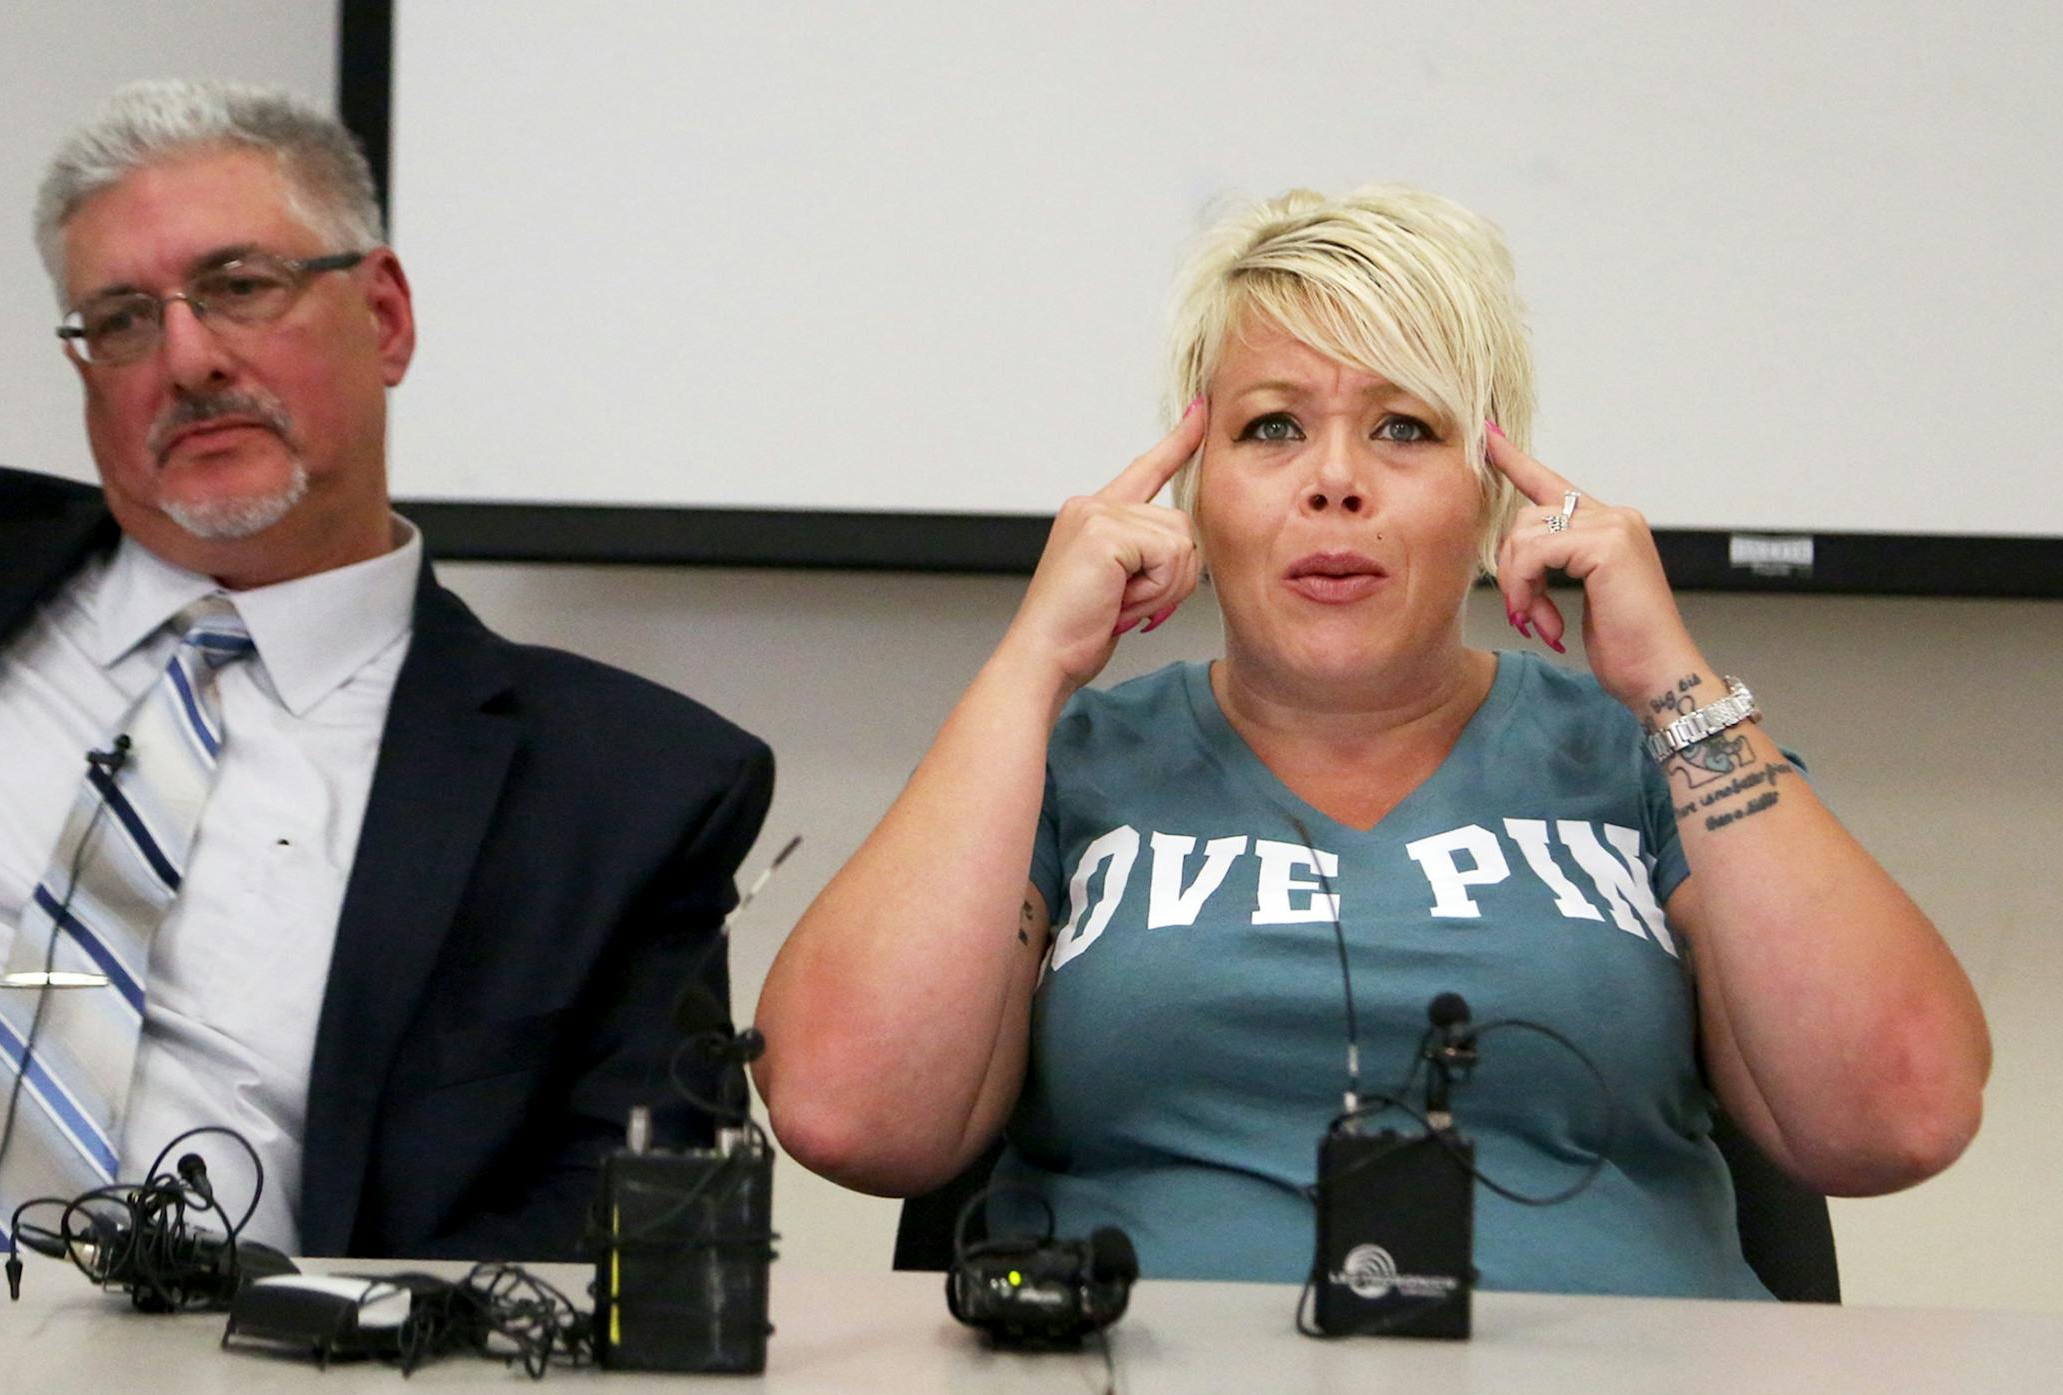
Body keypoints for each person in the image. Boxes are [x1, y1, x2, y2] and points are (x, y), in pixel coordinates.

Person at [753, 185, 1989, 1296]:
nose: (1335, 480)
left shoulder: (1639, 754)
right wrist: (1031, 663)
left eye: (1405, 428)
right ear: (1187, 494)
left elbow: (1898, 1116)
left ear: (1494, 489)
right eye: (1272, 428)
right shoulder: (1070, 761)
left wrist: (1672, 679)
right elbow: (848, 1114)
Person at [0, 80, 772, 1261]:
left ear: (387, 316)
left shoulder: (621, 790)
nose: (188, 358)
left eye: (240, 288)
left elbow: (609, 1221)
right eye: (121, 320)